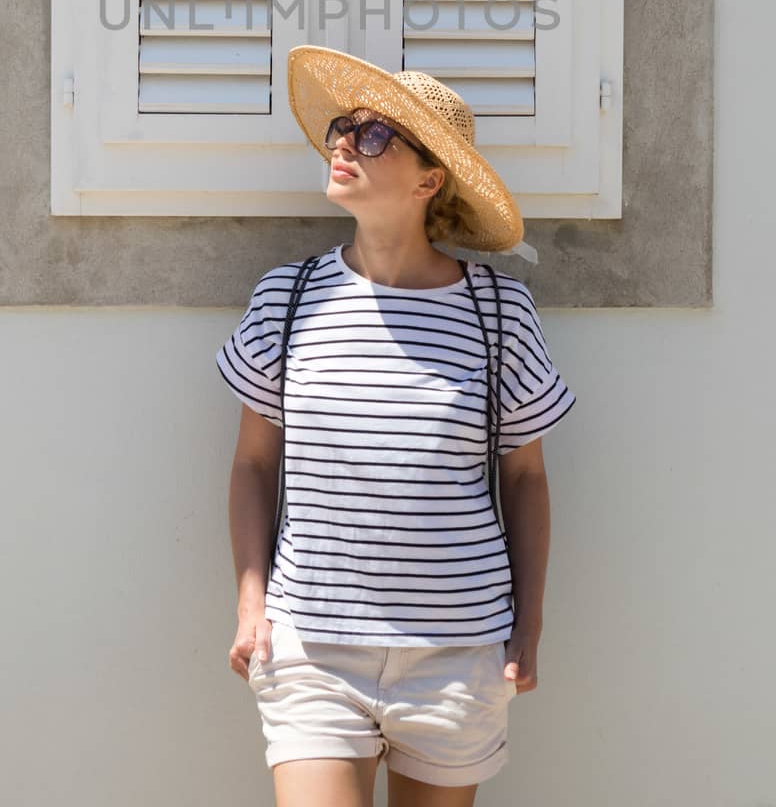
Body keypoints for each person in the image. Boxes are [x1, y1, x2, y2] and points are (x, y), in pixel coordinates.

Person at [215, 46, 577, 807]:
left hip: (458, 649)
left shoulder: (498, 312)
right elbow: (253, 465)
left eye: (375, 135)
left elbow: (525, 476)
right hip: (310, 647)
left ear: (428, 179)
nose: (344, 141)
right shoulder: (286, 299)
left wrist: (528, 627)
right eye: (343, 126)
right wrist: (253, 604)